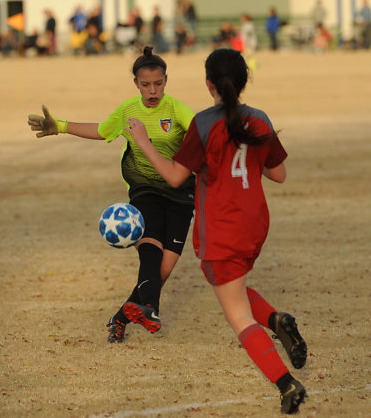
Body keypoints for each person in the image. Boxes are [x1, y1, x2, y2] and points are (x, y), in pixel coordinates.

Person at [127, 48, 308, 414]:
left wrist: (144, 142)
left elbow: (175, 176)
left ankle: (285, 383)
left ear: (209, 83)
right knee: (234, 289)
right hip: (254, 224)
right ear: (243, 81)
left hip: (222, 228)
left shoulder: (204, 123)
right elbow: (279, 174)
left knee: (237, 315)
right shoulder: (259, 119)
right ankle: (276, 320)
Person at [27, 46, 196, 344]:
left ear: (166, 81)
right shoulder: (128, 110)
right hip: (144, 188)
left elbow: (203, 136)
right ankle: (151, 309)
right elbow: (102, 130)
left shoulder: (177, 110)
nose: (152, 90)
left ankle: (119, 319)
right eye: (146, 84)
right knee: (150, 250)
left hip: (180, 193)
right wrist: (61, 126)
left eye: (158, 83)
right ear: (136, 83)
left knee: (162, 272)